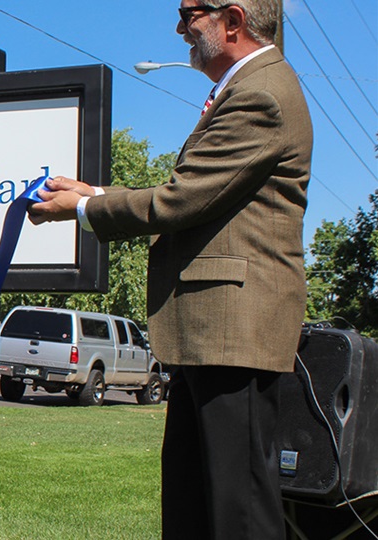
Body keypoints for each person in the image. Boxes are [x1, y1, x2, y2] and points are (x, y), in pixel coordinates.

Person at [27, 1, 311, 538]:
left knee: (238, 511)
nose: (179, 27)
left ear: (232, 20)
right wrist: (96, 193)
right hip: (212, 334)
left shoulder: (261, 94)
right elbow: (198, 192)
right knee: (194, 504)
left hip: (235, 332)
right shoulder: (246, 88)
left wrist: (85, 209)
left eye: (190, 13)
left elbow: (184, 200)